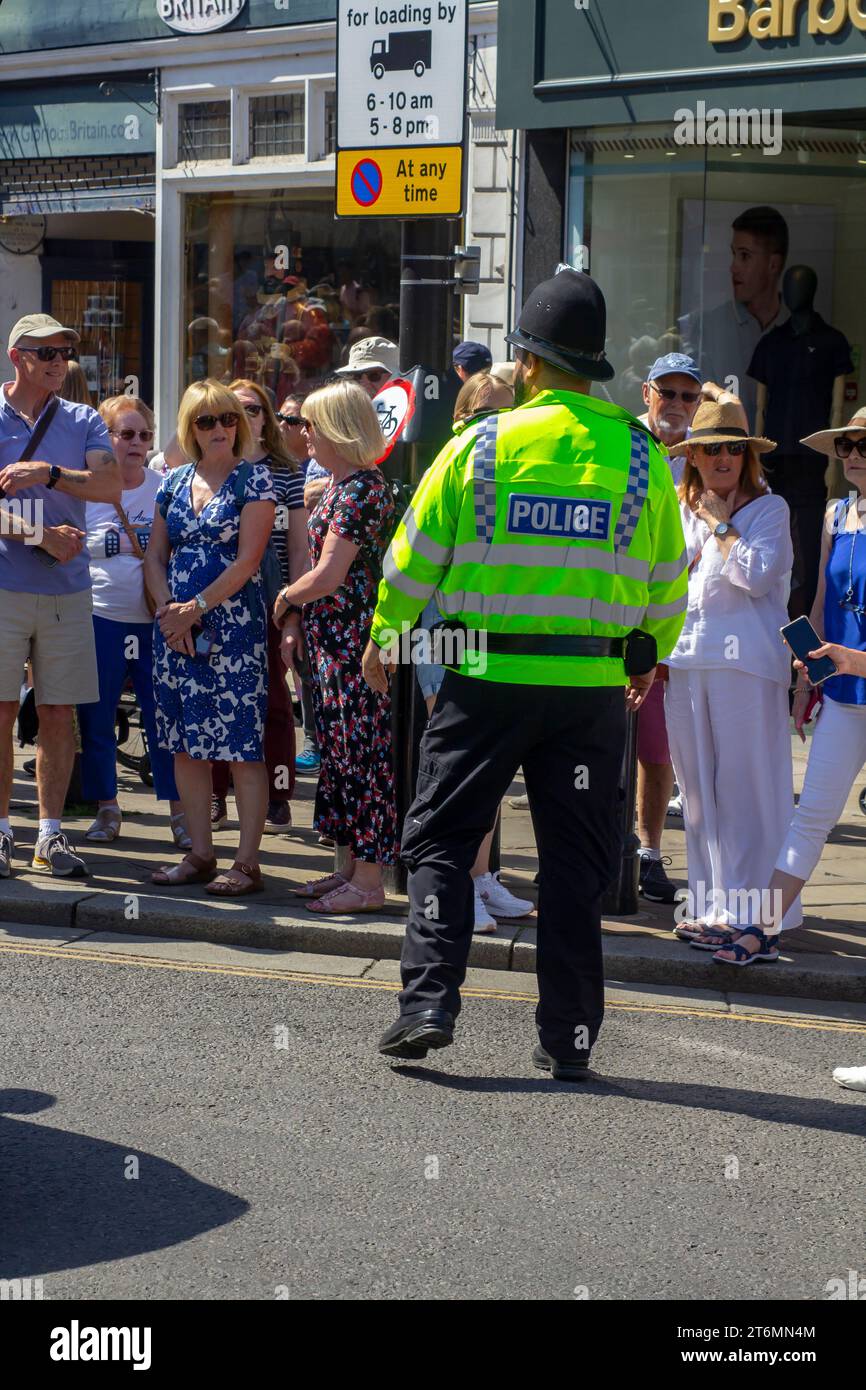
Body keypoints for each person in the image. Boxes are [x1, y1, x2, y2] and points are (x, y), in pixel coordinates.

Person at [363, 268, 688, 1080]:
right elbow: (667, 583)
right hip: (587, 693)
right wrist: (642, 657)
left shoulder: (479, 446)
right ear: (594, 366)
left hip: (482, 677)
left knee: (442, 837)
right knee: (575, 867)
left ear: (530, 362)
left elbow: (413, 559)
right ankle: (570, 1036)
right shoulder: (642, 460)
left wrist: (386, 638)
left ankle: (429, 1003)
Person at [710, 408, 866, 967]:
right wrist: (811, 673)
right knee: (812, 816)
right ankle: (763, 929)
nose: (850, 455)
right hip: (846, 699)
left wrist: (855, 660)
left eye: (862, 445)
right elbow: (823, 605)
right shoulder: (836, 515)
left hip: (858, 675)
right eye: (844, 446)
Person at [663, 400, 800, 954]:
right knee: (696, 794)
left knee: (745, 790)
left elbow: (757, 576)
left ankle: (754, 915)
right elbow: (666, 581)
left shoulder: (771, 510)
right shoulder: (679, 510)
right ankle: (710, 907)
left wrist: (720, 521)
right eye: (711, 448)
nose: (723, 457)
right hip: (687, 658)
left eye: (733, 447)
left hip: (747, 664)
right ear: (692, 455)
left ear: (747, 455)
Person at [0, 313, 121, 880]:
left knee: (58, 713)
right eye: (45, 352)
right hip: (4, 585)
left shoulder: (83, 418)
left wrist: (47, 472)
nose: (57, 362)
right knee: (1, 712)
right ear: (17, 356)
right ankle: (1, 832)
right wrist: (40, 533)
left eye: (64, 352)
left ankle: (49, 835)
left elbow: (109, 485)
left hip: (66, 591)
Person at [144, 380, 275, 895]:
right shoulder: (171, 482)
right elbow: (155, 555)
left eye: (227, 418)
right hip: (174, 632)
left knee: (241, 746)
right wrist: (168, 615)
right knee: (185, 745)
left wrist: (193, 609)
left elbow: (248, 562)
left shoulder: (255, 481)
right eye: (206, 421)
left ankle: (246, 863)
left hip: (233, 630)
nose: (219, 428)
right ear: (190, 428)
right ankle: (199, 852)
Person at [415, 365, 533, 932]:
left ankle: (482, 878)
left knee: (486, 772)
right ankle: (461, 888)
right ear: (460, 419)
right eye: (486, 416)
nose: (498, 427)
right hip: (446, 629)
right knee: (459, 773)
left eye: (507, 416)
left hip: (489, 636)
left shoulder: (509, 473)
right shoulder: (449, 469)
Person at [272, 381, 397, 912]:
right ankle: (349, 870)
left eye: (312, 425)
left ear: (337, 430)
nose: (304, 434)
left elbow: (328, 573)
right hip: (331, 641)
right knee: (340, 757)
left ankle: (368, 882)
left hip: (354, 643)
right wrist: (298, 615)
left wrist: (283, 598)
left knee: (362, 756)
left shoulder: (363, 489)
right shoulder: (341, 486)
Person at [77, 395, 189, 847]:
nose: (137, 443)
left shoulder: (166, 486)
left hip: (154, 620)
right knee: (97, 718)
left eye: (144, 434)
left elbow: (178, 547)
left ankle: (181, 812)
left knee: (164, 717)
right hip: (101, 615)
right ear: (107, 439)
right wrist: (108, 543)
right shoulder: (87, 487)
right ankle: (107, 807)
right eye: (126, 434)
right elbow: (70, 547)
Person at [209, 379, 307, 834]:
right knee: (212, 699)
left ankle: (278, 797)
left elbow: (299, 546)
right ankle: (215, 796)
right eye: (230, 412)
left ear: (267, 417)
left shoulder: (288, 474)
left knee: (272, 700)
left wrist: (294, 607)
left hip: (271, 602)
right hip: (218, 602)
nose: (242, 419)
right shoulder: (208, 470)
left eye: (251, 409)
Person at [633, 353, 704, 903]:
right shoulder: (626, 448)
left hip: (671, 628)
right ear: (647, 393)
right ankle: (597, 851)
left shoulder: (707, 461)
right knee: (597, 749)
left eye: (689, 396)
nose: (677, 405)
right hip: (612, 621)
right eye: (669, 393)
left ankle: (648, 855)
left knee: (658, 753)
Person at [682, 206, 789, 427]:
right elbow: (693, 396)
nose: (733, 268)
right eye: (734, 255)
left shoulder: (795, 329)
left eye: (745, 256)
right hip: (724, 453)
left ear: (773, 264)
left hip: (783, 455)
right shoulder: (708, 327)